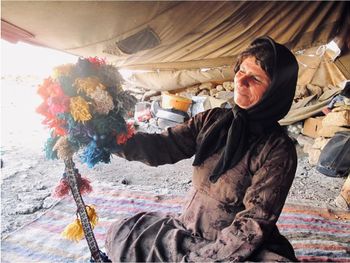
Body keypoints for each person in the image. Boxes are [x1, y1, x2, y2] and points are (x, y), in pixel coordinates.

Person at [105, 36, 299, 262]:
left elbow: (252, 226)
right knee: (122, 232)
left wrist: (202, 259)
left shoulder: (277, 150)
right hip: (187, 229)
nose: (241, 81)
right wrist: (110, 139)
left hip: (235, 247)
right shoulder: (213, 121)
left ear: (275, 92)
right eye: (241, 70)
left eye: (255, 78)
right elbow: (162, 147)